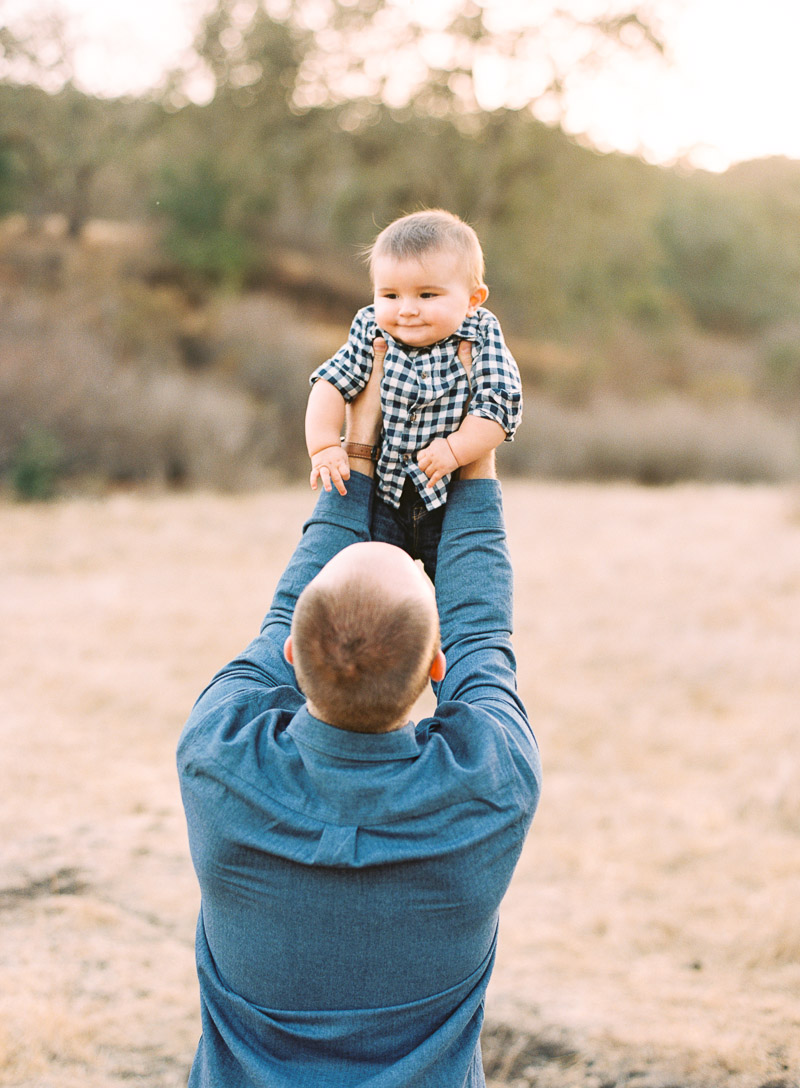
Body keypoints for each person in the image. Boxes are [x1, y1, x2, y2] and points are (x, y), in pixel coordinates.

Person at [177, 347, 541, 1087]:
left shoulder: (217, 758)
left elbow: (291, 609)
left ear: (289, 655)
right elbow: (481, 633)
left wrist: (359, 452)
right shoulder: (489, 784)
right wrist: (476, 453)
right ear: (434, 668)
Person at [304, 208, 523, 578]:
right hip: (384, 499)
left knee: (461, 585)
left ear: (473, 299)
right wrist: (324, 446)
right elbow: (330, 382)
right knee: (370, 587)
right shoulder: (371, 328)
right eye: (390, 295)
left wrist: (455, 449)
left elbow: (500, 405)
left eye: (426, 294)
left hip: (450, 500)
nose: (406, 310)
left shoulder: (481, 334)